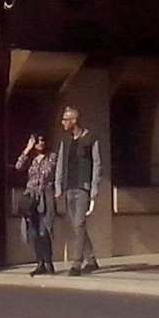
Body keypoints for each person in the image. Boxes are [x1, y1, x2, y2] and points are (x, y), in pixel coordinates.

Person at [53, 105, 103, 276]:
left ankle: (76, 263)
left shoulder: (90, 139)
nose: (63, 123)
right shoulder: (65, 141)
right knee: (76, 226)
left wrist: (94, 188)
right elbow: (60, 164)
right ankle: (92, 260)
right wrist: (58, 186)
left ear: (74, 121)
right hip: (69, 187)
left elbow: (97, 164)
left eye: (65, 120)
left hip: (83, 188)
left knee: (80, 223)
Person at [15, 133, 56, 276]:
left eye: (42, 140)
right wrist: (27, 149)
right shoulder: (31, 159)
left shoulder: (51, 157)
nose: (40, 143)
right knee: (34, 231)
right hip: (31, 196)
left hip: (44, 195)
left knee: (44, 230)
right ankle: (40, 262)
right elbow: (18, 166)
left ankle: (48, 262)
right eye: (37, 141)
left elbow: (47, 173)